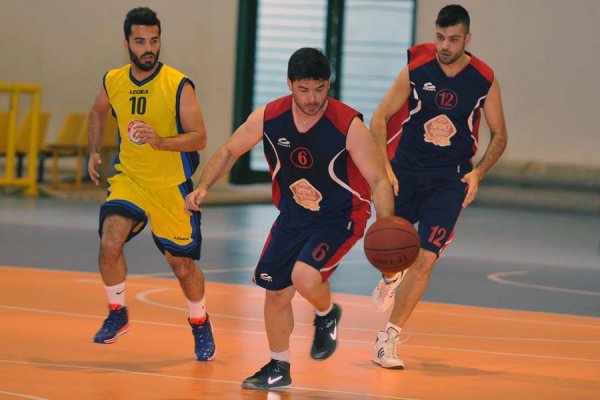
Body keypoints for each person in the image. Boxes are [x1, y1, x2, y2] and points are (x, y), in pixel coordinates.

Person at [185, 47, 394, 389]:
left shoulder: (349, 125)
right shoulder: (269, 117)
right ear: (289, 84)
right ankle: (279, 365)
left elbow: (379, 180)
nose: (312, 98)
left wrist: (386, 226)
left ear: (329, 84)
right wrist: (204, 186)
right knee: (275, 292)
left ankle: (325, 314)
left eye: (320, 89)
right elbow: (229, 150)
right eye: (304, 89)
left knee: (304, 276)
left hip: (340, 215)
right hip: (294, 214)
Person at [369, 4, 508, 369]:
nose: (445, 46)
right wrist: (385, 167)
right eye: (440, 38)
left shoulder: (483, 79)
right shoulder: (417, 69)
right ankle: (389, 275)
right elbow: (379, 118)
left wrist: (478, 173)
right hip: (407, 170)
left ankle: (388, 339)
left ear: (467, 39)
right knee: (389, 244)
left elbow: (500, 134)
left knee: (426, 257)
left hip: (450, 178)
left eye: (453, 39)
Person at [87, 7, 215, 361]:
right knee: (109, 241)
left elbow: (200, 137)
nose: (148, 49)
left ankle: (200, 321)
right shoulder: (113, 80)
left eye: (154, 41)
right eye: (141, 41)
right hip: (130, 178)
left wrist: (161, 141)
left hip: (170, 186)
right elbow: (97, 111)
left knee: (182, 267)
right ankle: (117, 313)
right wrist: (94, 151)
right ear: (126, 43)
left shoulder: (178, 84)